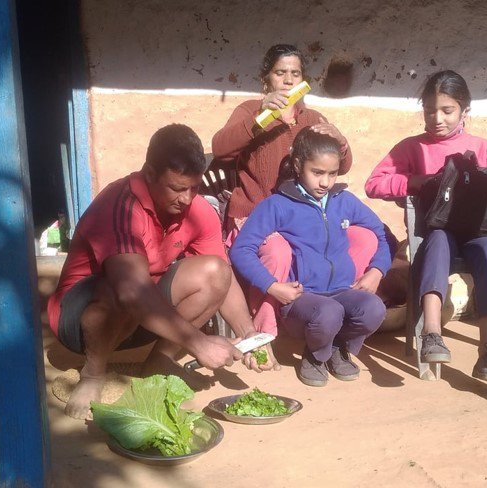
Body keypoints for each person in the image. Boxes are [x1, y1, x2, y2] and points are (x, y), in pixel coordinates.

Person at [47, 124, 276, 420]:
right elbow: (131, 291)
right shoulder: (120, 207)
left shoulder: (196, 208)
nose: (187, 198)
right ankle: (93, 374)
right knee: (120, 285)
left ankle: (158, 362)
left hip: (143, 313)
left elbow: (224, 275)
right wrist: (198, 343)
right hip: (79, 320)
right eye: (178, 188)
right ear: (150, 174)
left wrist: (249, 336)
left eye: (194, 187)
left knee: (215, 271)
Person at [212, 44, 377, 339]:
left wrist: (340, 140)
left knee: (362, 238)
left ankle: (341, 316)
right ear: (267, 80)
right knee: (277, 249)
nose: (288, 80)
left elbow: (344, 164)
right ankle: (263, 332)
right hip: (258, 220)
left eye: (295, 73)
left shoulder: (311, 118)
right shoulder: (250, 110)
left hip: (303, 219)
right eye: (280, 73)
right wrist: (260, 115)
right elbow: (220, 149)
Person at [365, 70, 487, 384]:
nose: (437, 119)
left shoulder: (482, 148)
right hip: (434, 230)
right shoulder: (412, 147)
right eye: (430, 111)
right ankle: (432, 334)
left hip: (477, 232)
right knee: (439, 240)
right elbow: (374, 184)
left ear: (464, 111)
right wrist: (417, 182)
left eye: (447, 111)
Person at [230, 127, 391, 387]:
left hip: (342, 290)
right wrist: (273, 286)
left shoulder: (344, 201)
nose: (325, 182)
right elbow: (241, 250)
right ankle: (316, 355)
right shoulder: (277, 205)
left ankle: (336, 347)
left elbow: (382, 235)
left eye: (332, 173)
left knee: (374, 309)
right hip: (303, 300)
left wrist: (377, 272)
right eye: (317, 173)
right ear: (297, 165)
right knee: (329, 313)